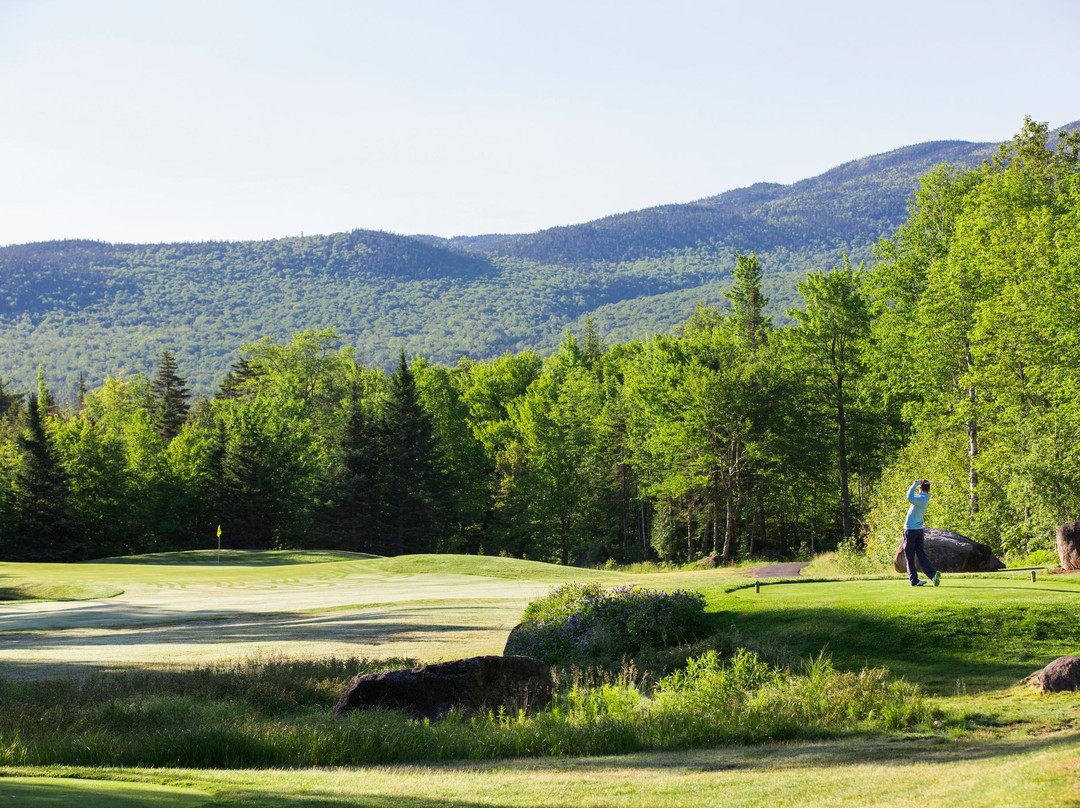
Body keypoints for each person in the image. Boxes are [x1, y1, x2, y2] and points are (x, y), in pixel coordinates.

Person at [903, 479, 940, 587]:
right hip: (919, 530)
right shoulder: (924, 498)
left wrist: (914, 484)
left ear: (920, 488)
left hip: (910, 530)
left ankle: (914, 580)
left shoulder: (920, 499)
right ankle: (933, 575)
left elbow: (909, 497)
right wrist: (920, 485)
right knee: (921, 554)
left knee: (909, 555)